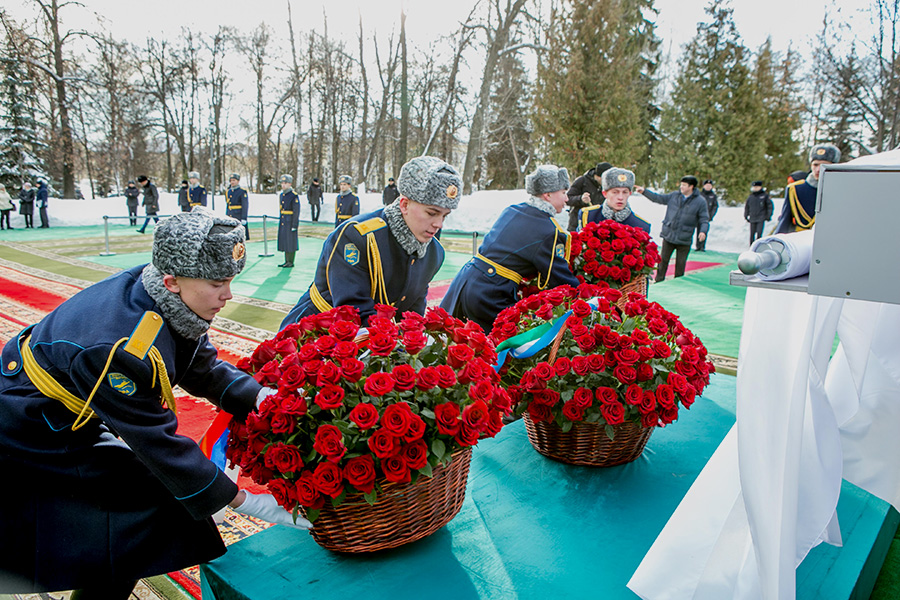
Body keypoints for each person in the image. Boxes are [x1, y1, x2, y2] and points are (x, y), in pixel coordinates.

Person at [0, 208, 309, 596]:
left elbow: (204, 369)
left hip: (67, 409)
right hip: (30, 425)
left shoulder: (166, 296)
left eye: (230, 280)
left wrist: (270, 401)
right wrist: (246, 500)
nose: (228, 295)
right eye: (217, 283)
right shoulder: (121, 348)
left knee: (135, 521)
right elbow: (156, 443)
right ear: (172, 280)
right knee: (133, 515)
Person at [281, 156, 461, 329]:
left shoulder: (434, 253)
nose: (439, 224)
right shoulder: (357, 236)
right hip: (318, 333)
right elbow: (352, 312)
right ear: (404, 205)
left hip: (379, 343)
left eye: (445, 215)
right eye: (432, 213)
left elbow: (412, 311)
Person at [441, 164, 580, 333]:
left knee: (456, 344)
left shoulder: (513, 210)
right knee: (496, 349)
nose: (567, 199)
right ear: (548, 194)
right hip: (491, 292)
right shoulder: (549, 229)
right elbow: (558, 278)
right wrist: (587, 297)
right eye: (564, 193)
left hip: (466, 279)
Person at [634, 175, 709, 282]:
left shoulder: (700, 201)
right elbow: (658, 198)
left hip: (684, 239)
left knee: (680, 265)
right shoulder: (674, 196)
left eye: (684, 185)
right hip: (669, 235)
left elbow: (704, 219)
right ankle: (659, 281)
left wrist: (703, 231)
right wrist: (644, 192)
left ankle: (677, 284)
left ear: (691, 187)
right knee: (662, 261)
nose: (681, 187)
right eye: (681, 184)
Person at [775, 143, 840, 234]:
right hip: (801, 240)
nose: (818, 169)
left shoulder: (840, 191)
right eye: (815, 165)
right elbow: (784, 223)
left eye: (823, 165)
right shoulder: (795, 189)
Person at [578, 167, 651, 233]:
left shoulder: (641, 226)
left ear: (630, 193)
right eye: (615, 192)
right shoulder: (588, 216)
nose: (620, 197)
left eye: (625, 192)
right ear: (605, 194)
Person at [565, 161, 612, 231]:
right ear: (599, 176)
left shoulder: (608, 186)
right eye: (606, 179)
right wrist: (581, 199)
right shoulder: (582, 181)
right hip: (578, 225)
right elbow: (567, 199)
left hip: (598, 226)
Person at [277, 174, 300, 268]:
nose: (283, 185)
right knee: (285, 241)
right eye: (282, 183)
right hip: (284, 221)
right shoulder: (282, 195)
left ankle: (291, 261)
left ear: (290, 184)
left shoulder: (293, 196)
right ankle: (286, 260)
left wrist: (295, 224)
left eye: (285, 183)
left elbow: (296, 211)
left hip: (290, 221)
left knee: (290, 242)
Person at [744, 180, 773, 245]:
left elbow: (770, 206)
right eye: (754, 187)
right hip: (752, 217)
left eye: (757, 187)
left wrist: (768, 215)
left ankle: (758, 246)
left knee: (759, 233)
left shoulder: (764, 196)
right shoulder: (751, 197)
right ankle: (751, 246)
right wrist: (746, 215)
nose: (755, 188)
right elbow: (747, 206)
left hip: (761, 217)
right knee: (752, 234)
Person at [226, 173, 249, 240]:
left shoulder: (242, 191)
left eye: (234, 180)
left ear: (238, 181)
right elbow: (228, 205)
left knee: (240, 237)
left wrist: (244, 218)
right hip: (230, 215)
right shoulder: (229, 191)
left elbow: (245, 205)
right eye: (231, 180)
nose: (232, 182)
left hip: (238, 216)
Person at [697, 179, 718, 251]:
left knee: (704, 231)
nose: (708, 187)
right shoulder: (700, 194)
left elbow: (715, 206)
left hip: (707, 216)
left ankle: (702, 246)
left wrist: (711, 215)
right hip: (699, 216)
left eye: (710, 186)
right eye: (707, 185)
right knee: (698, 231)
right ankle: (698, 246)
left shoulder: (713, 196)